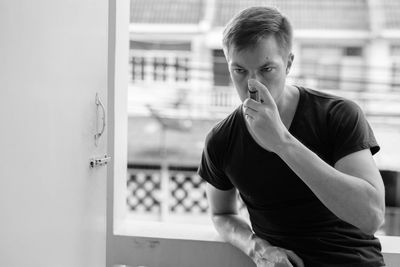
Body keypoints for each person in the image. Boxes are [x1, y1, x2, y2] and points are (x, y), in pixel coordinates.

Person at [197, 6, 386, 267]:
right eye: (239, 70)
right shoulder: (221, 139)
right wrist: (256, 248)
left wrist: (282, 142)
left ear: (288, 63)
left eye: (266, 69)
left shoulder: (338, 115)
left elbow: (371, 216)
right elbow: (221, 214)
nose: (253, 84)